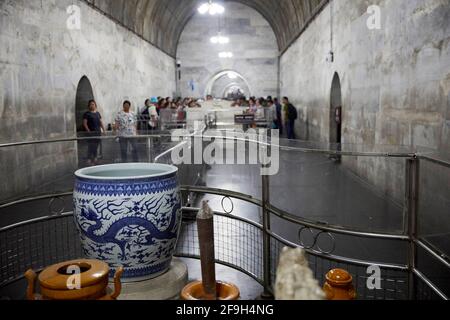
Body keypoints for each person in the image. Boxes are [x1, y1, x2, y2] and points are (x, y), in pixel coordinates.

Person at [83, 100, 105, 165]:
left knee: (96, 146)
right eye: (91, 104)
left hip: (98, 132)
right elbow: (85, 123)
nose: (92, 105)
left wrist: (103, 130)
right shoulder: (87, 114)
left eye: (93, 104)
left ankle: (95, 158)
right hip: (91, 133)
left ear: (95, 105)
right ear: (88, 105)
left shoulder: (98, 113)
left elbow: (101, 122)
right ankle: (89, 159)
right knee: (91, 146)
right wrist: (88, 131)